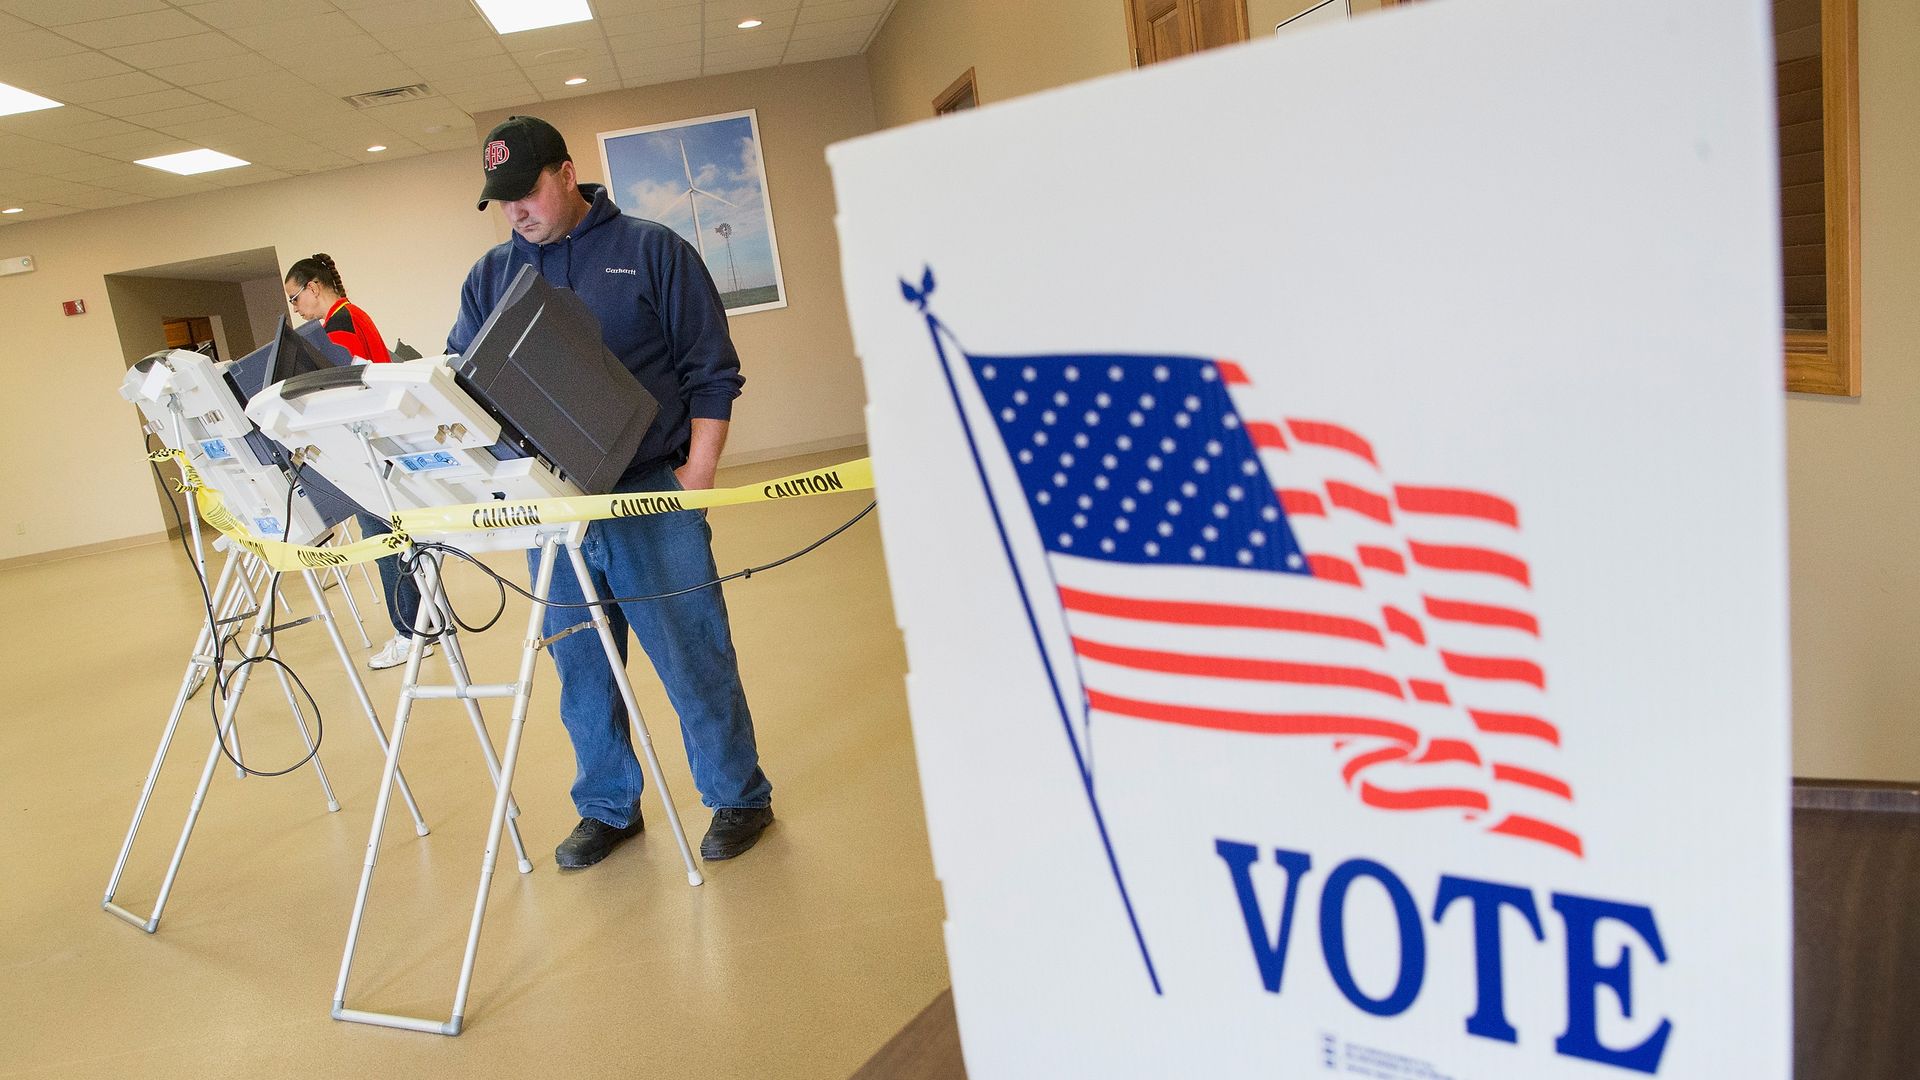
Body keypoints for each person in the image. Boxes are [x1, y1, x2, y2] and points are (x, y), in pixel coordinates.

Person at [448, 115, 773, 869]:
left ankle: (738, 796)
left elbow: (711, 372)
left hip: (648, 493)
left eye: (526, 192)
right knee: (582, 672)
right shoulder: (491, 276)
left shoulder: (652, 250)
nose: (515, 212)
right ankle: (607, 808)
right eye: (501, 201)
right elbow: (464, 381)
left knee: (693, 657)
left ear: (567, 173)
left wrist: (696, 477)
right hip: (553, 507)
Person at [283, 254, 429, 671]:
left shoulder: (337, 324)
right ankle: (423, 626)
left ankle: (409, 634)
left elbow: (346, 386)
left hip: (366, 448)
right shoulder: (352, 315)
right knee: (396, 542)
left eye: (296, 297)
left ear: (313, 287)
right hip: (375, 442)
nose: (296, 308)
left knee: (383, 542)